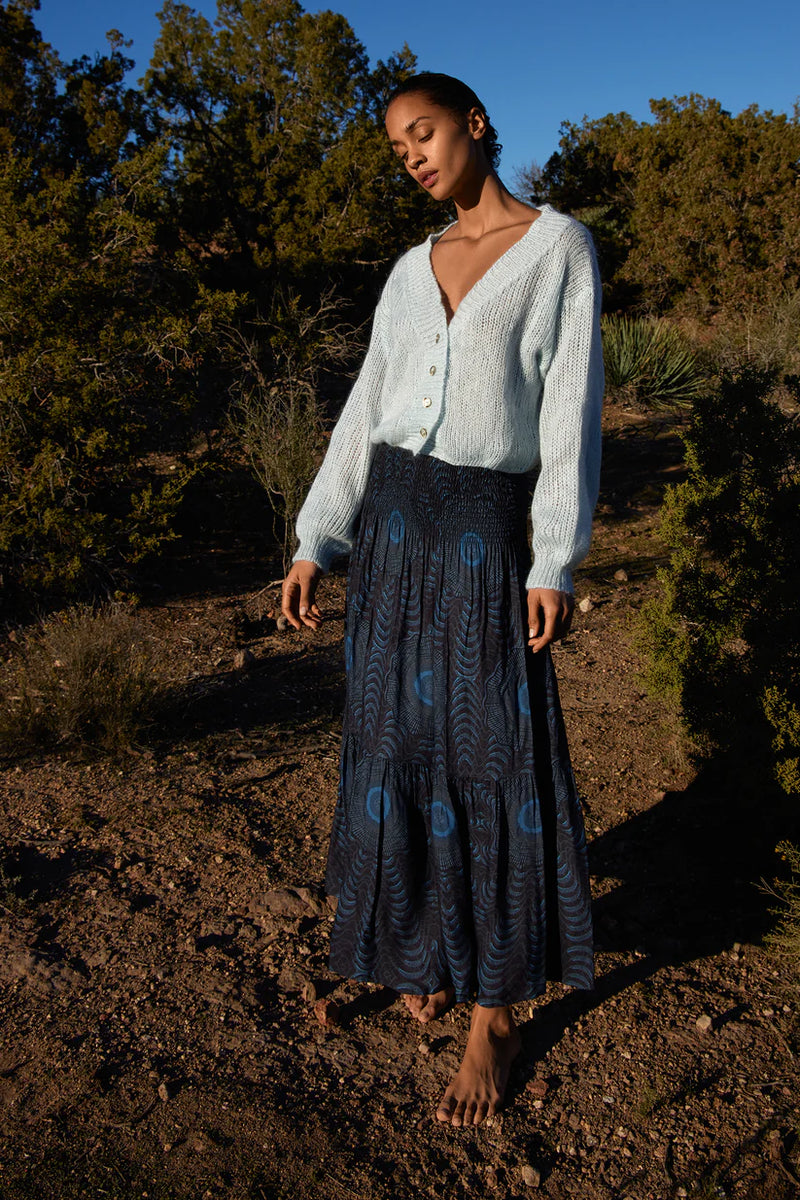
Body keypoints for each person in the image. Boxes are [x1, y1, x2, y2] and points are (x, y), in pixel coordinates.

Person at [281, 71, 603, 1128]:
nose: (412, 156)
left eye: (421, 134)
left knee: (488, 760)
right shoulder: (407, 267)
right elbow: (363, 410)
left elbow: (567, 416)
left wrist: (550, 558)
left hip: (479, 533)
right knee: (394, 746)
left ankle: (493, 1011)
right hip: (391, 528)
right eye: (396, 148)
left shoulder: (557, 249)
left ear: (472, 123)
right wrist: (317, 537)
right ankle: (418, 948)